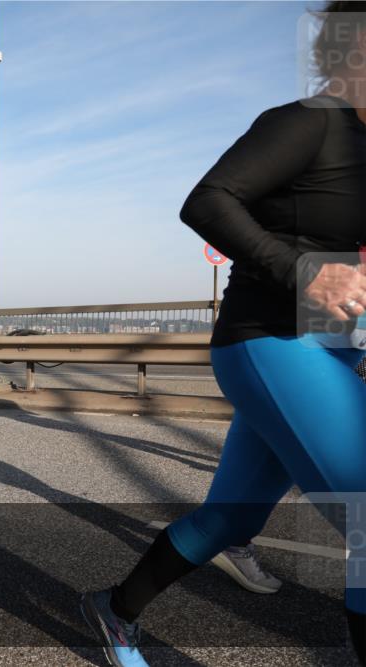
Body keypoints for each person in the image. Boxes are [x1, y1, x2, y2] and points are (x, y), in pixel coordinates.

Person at [80, 3, 366, 665]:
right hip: (270, 340)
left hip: (327, 352)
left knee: (231, 519)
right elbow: (206, 201)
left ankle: (113, 609)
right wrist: (304, 273)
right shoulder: (305, 122)